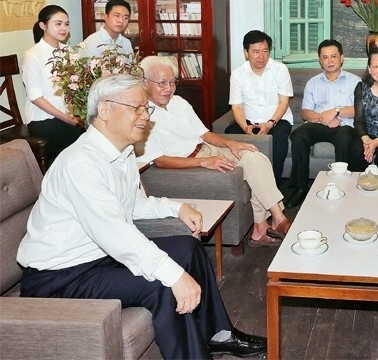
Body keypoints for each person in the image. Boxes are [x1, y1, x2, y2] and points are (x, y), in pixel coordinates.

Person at [16, 74, 267, 359]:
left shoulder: (121, 154)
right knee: (162, 283)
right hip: (59, 278)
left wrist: (177, 208)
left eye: (145, 109)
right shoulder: (80, 164)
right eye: (137, 108)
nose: (145, 117)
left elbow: (133, 206)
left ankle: (218, 334)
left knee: (188, 247)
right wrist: (174, 276)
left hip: (97, 258)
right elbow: (115, 233)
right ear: (105, 110)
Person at [137, 56, 292, 247]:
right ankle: (278, 219)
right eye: (162, 83)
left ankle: (263, 227)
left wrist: (231, 144)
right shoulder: (141, 114)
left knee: (254, 156)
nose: (168, 88)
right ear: (144, 83)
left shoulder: (179, 102)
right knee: (249, 167)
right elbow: (160, 160)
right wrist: (203, 162)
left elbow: (205, 134)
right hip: (189, 162)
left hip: (206, 148)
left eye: (172, 82)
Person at [284, 39, 361, 208]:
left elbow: (358, 110)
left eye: (333, 56)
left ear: (342, 58)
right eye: (325, 57)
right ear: (320, 60)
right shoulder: (313, 82)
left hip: (344, 125)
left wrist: (336, 111)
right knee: (298, 135)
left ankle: (343, 186)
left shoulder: (355, 81)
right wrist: (323, 117)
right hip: (319, 123)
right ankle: (300, 187)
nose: (330, 61)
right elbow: (305, 112)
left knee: (345, 138)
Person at [225, 30, 293, 185]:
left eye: (265, 51)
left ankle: (273, 186)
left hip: (277, 120)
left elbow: (284, 102)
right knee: (230, 134)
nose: (261, 56)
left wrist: (270, 123)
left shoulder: (280, 70)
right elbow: (236, 107)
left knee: (279, 139)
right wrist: (245, 127)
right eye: (255, 52)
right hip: (249, 121)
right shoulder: (237, 74)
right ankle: (241, 184)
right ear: (246, 53)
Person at [22, 5, 84, 166]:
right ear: (43, 26)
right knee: (85, 141)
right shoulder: (33, 55)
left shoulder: (68, 51)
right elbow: (35, 97)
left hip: (68, 115)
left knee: (99, 132)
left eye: (66, 24)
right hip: (42, 119)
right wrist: (67, 119)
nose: (64, 28)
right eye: (58, 24)